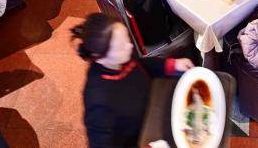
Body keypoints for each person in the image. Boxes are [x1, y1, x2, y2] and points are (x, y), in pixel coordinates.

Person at [75, 12, 193, 147]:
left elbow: (140, 64)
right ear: (99, 57)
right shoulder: (98, 103)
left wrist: (173, 65)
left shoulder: (122, 57)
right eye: (121, 46)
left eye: (127, 39)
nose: (130, 46)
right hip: (144, 136)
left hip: (155, 103)